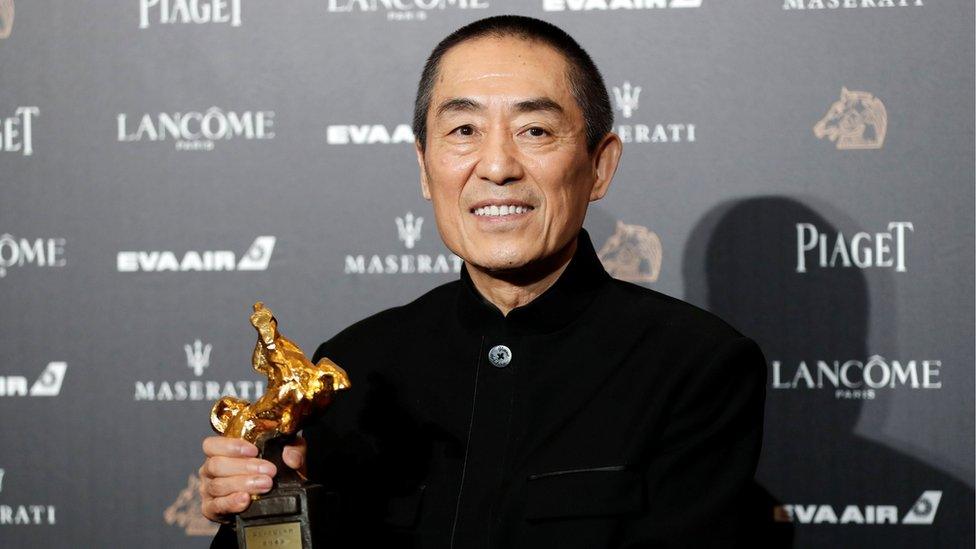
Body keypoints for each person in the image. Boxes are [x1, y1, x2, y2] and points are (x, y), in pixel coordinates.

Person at [200, 15, 766, 548]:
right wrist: (252, 507)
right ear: (425, 167)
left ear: (600, 167)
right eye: (464, 129)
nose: (497, 166)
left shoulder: (696, 367)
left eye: (535, 129)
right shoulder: (352, 369)